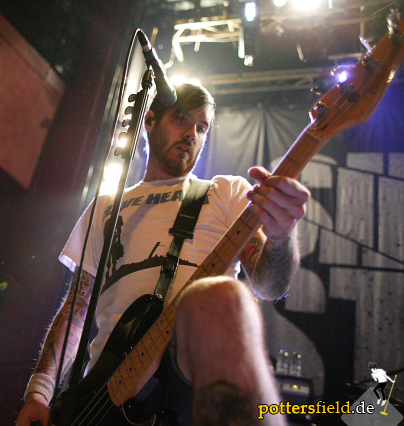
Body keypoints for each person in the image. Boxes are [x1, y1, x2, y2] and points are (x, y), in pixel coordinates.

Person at [16, 83, 310, 425]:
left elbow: (270, 287)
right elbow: (77, 308)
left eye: (202, 127)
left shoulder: (227, 193)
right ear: (150, 120)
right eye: (181, 119)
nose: (191, 134)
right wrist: (39, 391)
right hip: (100, 399)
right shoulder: (106, 206)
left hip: (191, 386)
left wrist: (280, 238)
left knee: (224, 297)